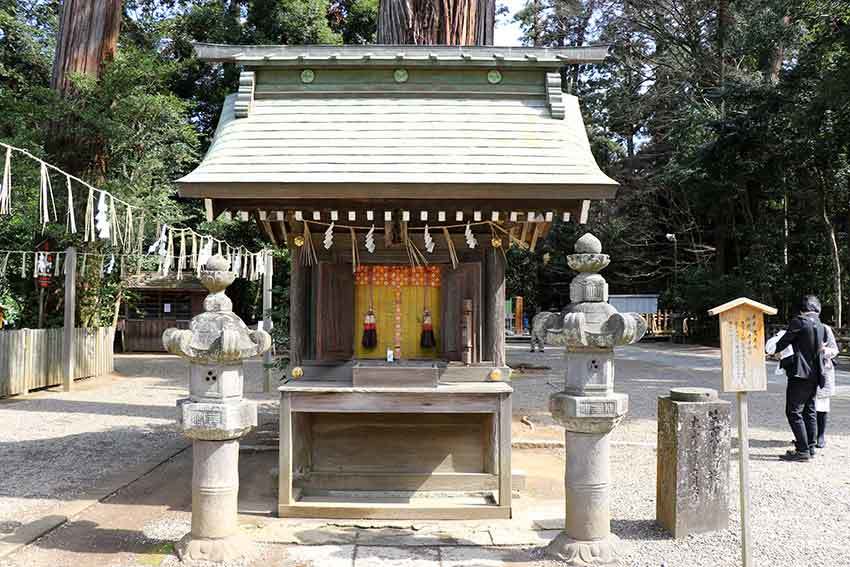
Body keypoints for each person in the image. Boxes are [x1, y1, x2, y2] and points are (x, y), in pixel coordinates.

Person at [773, 295, 827, 461]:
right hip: (815, 373)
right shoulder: (820, 325)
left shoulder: (800, 321)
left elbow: (785, 340)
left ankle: (802, 450)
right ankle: (810, 447)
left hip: (800, 373)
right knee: (809, 410)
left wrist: (773, 349)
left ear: (803, 308)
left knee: (794, 411)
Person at [816, 324, 838, 448]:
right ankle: (807, 435)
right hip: (806, 371)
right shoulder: (800, 325)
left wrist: (823, 350)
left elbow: (834, 350)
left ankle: (820, 435)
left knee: (822, 405)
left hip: (823, 371)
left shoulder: (825, 329)